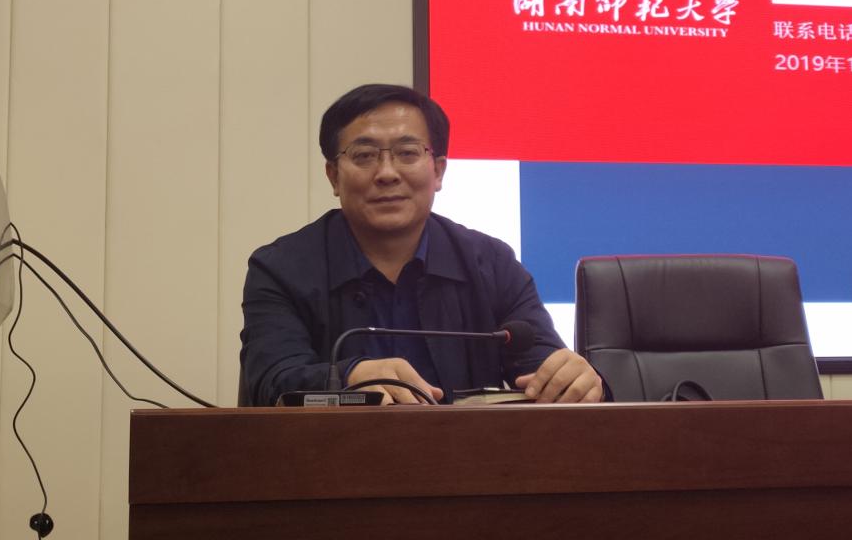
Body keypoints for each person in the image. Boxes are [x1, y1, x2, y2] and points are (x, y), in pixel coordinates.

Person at [240, 83, 607, 405]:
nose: (387, 173)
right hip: (328, 458)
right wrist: (349, 376)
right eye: (364, 155)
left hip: (470, 457)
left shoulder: (492, 263)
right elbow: (270, 382)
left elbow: (543, 369)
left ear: (439, 171)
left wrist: (578, 381)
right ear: (334, 176)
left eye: (408, 153)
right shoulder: (281, 268)